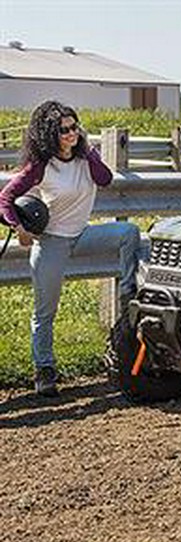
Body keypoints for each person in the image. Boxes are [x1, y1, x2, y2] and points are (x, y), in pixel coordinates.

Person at [0, 101, 141, 397]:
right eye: (63, 130)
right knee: (44, 313)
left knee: (130, 233)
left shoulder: (85, 158)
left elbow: (105, 179)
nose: (70, 134)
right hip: (52, 242)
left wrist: (89, 149)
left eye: (74, 127)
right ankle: (45, 370)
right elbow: (5, 199)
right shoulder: (40, 167)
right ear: (50, 133)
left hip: (83, 235)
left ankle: (129, 295)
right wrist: (19, 229)